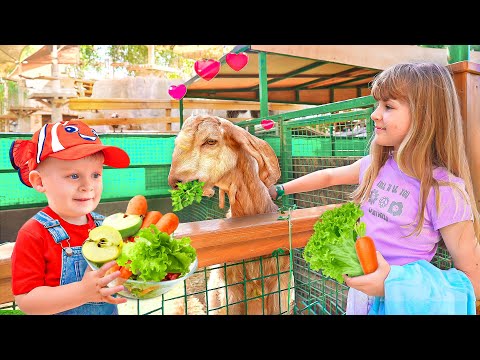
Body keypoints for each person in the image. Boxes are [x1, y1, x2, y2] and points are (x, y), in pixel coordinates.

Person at [268, 62, 480, 314]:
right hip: (360, 298)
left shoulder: (445, 191)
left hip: (403, 305)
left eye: (388, 106)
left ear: (425, 117)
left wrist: (392, 283)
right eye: (377, 105)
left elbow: (473, 282)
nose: (374, 114)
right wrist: (279, 189)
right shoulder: (378, 166)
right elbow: (328, 176)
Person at [9, 119, 131, 315]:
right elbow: (27, 301)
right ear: (39, 181)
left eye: (96, 175)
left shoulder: (107, 227)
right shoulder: (33, 234)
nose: (88, 185)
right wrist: (82, 292)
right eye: (74, 176)